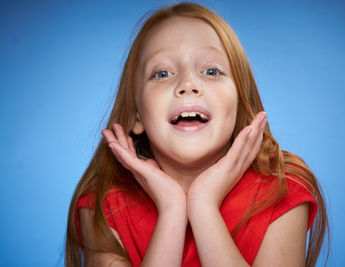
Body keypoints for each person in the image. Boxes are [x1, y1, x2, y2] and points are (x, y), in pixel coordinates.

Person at [65, 2, 328, 266]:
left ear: (240, 101)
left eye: (211, 71)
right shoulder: (105, 203)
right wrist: (171, 208)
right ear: (137, 115)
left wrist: (203, 205)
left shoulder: (283, 188)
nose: (188, 85)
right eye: (162, 73)